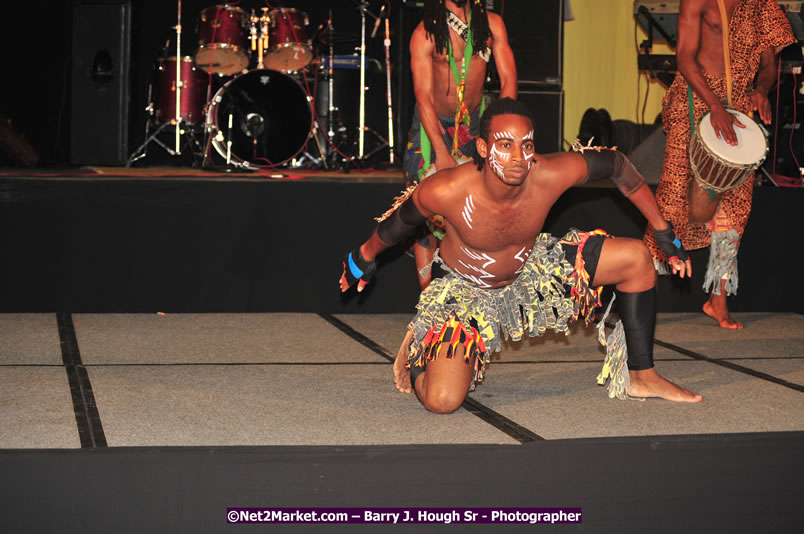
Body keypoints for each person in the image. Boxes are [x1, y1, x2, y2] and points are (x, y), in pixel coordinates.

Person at [341, 98, 702, 414]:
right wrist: (362, 259)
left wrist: (663, 231)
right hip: (464, 293)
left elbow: (619, 167)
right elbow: (396, 225)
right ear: (482, 148)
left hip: (531, 270)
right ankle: (423, 351)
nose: (518, 157)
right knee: (442, 401)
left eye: (526, 145)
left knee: (637, 258)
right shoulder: (447, 189)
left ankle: (642, 376)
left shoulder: (548, 173)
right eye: (505, 144)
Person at [643, 0, 794, 329]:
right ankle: (641, 292)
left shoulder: (761, 5)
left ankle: (718, 300)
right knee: (672, 198)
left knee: (737, 206)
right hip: (695, 98)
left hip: (739, 105)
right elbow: (684, 57)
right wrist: (714, 105)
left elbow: (769, 63)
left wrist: (761, 90)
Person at [405, 0, 517, 290]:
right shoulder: (425, 33)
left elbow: (508, 80)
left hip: (475, 124)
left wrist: (503, 130)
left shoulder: (491, 24)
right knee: (427, 209)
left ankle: (469, 289)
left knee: (474, 209)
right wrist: (440, 152)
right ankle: (427, 298)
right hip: (433, 125)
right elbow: (423, 96)